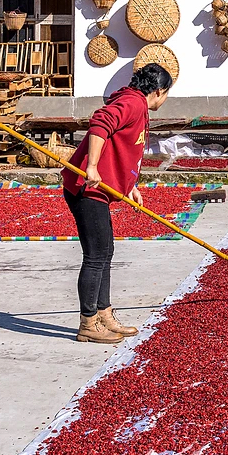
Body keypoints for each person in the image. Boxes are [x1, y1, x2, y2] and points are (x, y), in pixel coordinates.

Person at [62, 64, 172, 343]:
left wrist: (130, 185)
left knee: (105, 252)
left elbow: (124, 148)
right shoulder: (132, 103)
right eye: (167, 93)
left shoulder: (136, 105)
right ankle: (88, 322)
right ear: (159, 91)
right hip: (88, 189)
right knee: (96, 255)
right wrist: (93, 166)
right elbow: (100, 123)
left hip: (100, 190)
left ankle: (104, 314)